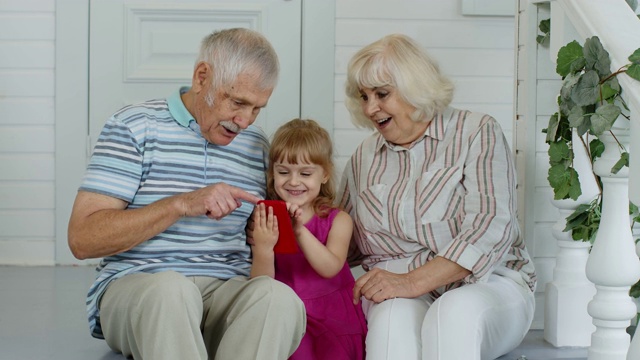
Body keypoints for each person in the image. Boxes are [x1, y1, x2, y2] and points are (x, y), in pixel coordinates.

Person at [67, 28, 305, 360]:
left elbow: (268, 240)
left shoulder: (257, 146)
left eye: (257, 108)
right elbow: (82, 239)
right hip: (143, 289)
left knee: (280, 300)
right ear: (202, 77)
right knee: (171, 291)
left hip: (225, 292)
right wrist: (180, 204)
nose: (245, 120)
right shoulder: (133, 127)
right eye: (237, 102)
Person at [338, 34, 537, 360]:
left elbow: (489, 225)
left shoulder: (476, 132)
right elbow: (344, 241)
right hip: (405, 291)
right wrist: (300, 223)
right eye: (364, 96)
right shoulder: (364, 157)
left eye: (382, 94)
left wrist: (411, 281)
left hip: (488, 284)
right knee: (389, 321)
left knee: (452, 313)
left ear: (414, 85)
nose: (371, 107)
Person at [250, 119, 367, 360]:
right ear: (273, 173)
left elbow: (331, 267)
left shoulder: (339, 219)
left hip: (333, 317)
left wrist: (299, 231)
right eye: (283, 172)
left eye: (305, 173)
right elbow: (261, 286)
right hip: (289, 316)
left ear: (324, 174)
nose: (293, 181)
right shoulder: (268, 217)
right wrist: (263, 247)